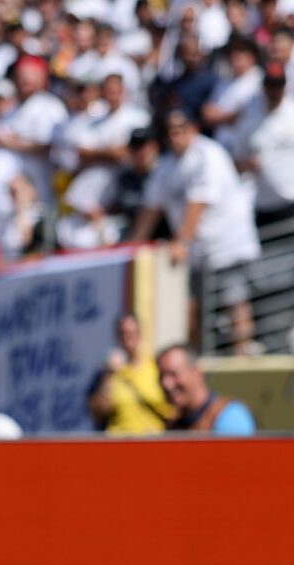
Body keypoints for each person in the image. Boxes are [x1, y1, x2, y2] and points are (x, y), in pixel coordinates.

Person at [129, 109, 260, 354]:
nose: (175, 136)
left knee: (235, 304)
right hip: (196, 253)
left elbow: (197, 204)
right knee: (190, 309)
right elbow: (150, 211)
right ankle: (197, 360)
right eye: (170, 132)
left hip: (226, 246)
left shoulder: (208, 155)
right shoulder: (167, 165)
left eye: (180, 130)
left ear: (193, 129)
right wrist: (130, 249)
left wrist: (181, 242)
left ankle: (243, 358)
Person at [87, 313, 173, 435]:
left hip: (152, 442)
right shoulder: (107, 372)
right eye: (123, 333)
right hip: (119, 444)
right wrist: (108, 375)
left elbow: (173, 408)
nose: (127, 338)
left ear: (139, 334)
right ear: (117, 336)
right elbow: (98, 413)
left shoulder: (155, 367)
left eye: (132, 333)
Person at [156, 344, 257, 434]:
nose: (166, 384)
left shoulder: (230, 416)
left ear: (196, 373)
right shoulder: (175, 425)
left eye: (173, 374)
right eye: (161, 376)